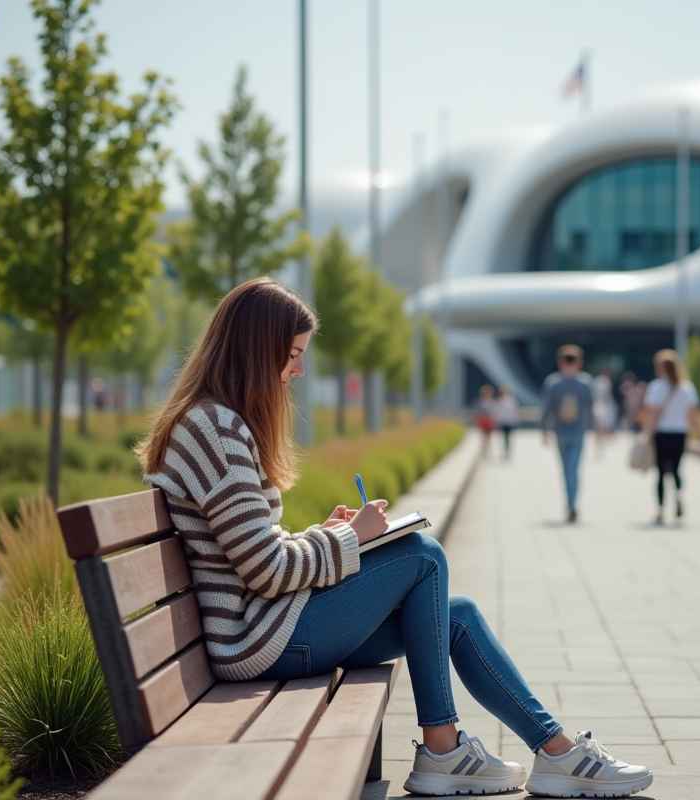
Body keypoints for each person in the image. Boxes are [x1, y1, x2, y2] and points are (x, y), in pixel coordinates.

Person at [136, 278, 652, 798]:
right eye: (292, 354)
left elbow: (249, 552)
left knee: (458, 615)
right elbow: (265, 571)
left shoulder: (214, 422)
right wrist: (350, 539)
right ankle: (443, 749)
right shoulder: (215, 429)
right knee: (422, 555)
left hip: (269, 629)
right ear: (255, 348)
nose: (299, 369)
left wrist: (330, 534)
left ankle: (555, 750)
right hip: (259, 641)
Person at [640, 349, 700, 525]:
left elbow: (652, 415)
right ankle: (678, 494)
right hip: (680, 433)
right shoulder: (686, 388)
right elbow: (693, 417)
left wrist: (648, 434)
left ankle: (660, 510)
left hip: (662, 433)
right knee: (676, 470)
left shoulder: (656, 387)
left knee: (661, 473)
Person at [541, 344, 595, 523]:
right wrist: (596, 428)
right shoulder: (585, 382)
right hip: (579, 431)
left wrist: (544, 430)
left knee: (566, 469)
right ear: (579, 362)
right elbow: (591, 408)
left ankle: (570, 503)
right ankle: (572, 503)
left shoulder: (553, 382)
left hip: (561, 431)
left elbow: (547, 408)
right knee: (574, 468)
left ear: (560, 362)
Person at [591, 368, 618, 448]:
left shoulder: (598, 380)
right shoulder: (605, 381)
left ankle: (601, 438)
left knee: (601, 423)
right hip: (602, 405)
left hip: (600, 404)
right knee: (602, 422)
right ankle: (601, 438)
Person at [495, 385, 520, 460]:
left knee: (509, 438)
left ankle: (508, 452)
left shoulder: (512, 400)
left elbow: (515, 411)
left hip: (509, 422)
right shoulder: (499, 401)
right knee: (502, 438)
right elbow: (497, 411)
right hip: (502, 422)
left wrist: (515, 420)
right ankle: (504, 451)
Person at [474, 384, 498, 457]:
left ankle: (487, 451)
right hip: (483, 421)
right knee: (483, 437)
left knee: (489, 438)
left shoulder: (492, 402)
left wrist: (494, 420)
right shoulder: (480, 402)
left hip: (489, 421)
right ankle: (483, 451)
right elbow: (477, 412)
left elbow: (495, 412)